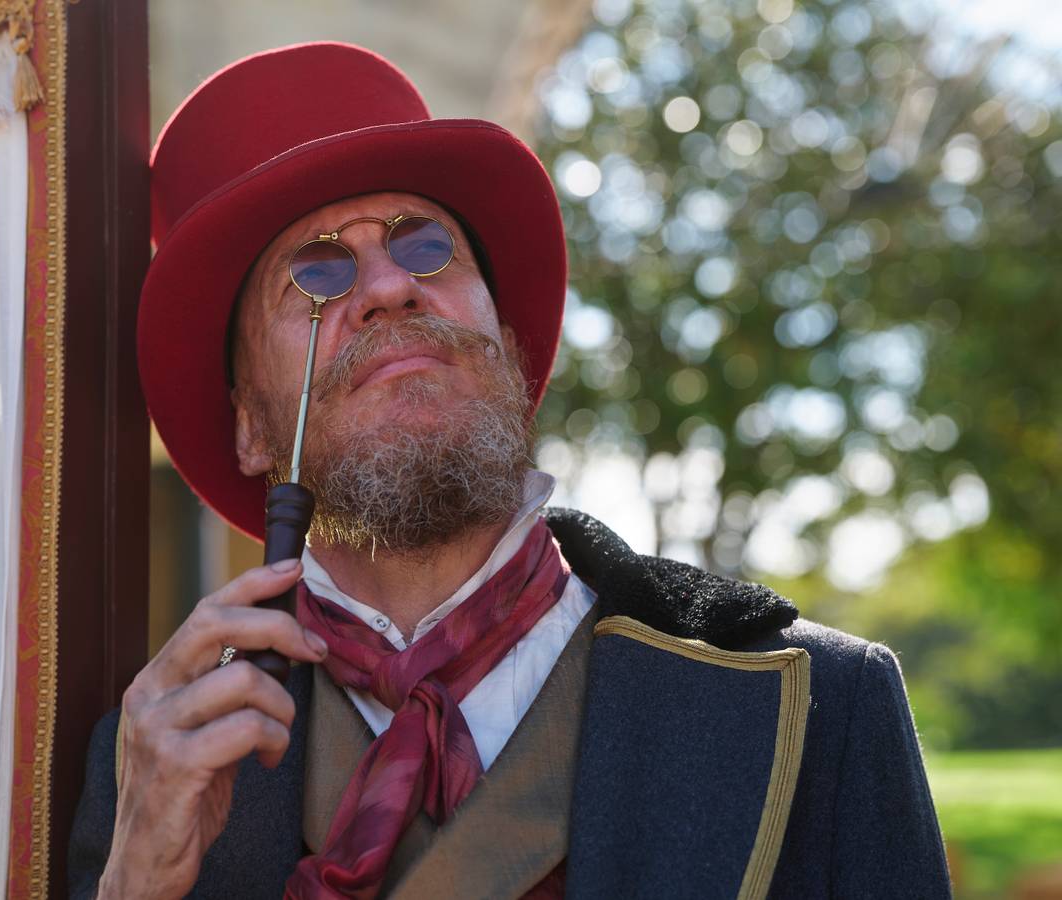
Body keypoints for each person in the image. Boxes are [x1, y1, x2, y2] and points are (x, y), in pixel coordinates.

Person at [69, 42, 951, 899]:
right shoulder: (146, 765)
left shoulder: (827, 709)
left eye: (426, 249)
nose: (386, 287)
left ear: (510, 353)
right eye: (317, 274)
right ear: (253, 429)